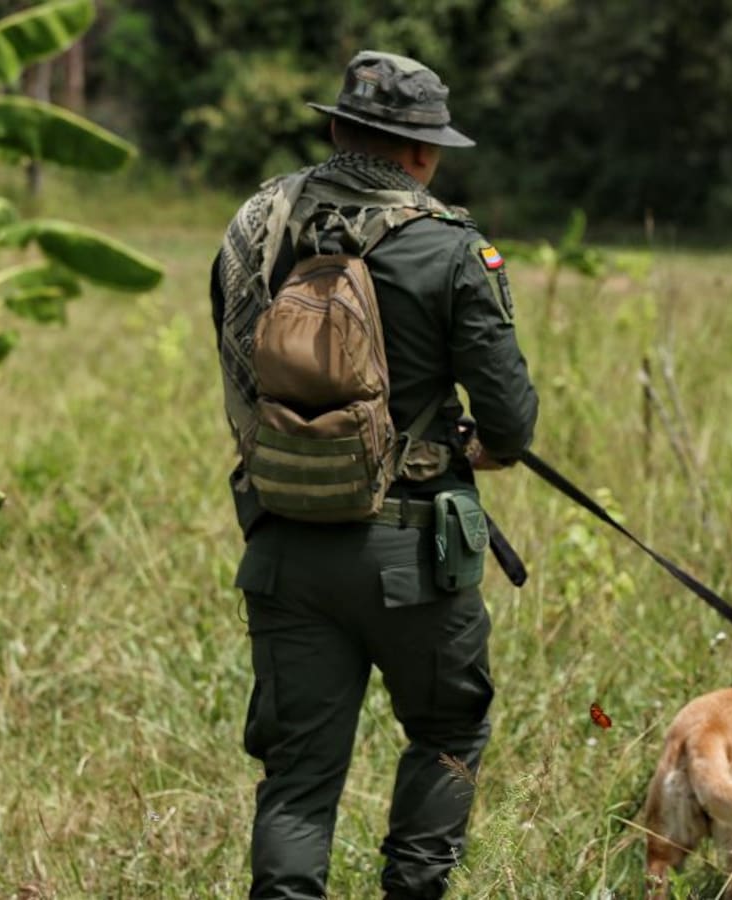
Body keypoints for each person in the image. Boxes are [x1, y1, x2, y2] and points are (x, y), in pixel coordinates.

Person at [210, 49, 539, 900]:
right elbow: (511, 423)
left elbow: (241, 372)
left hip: (284, 544)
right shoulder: (453, 250)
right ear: (423, 153)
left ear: (335, 129)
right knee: (446, 732)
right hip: (415, 558)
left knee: (297, 775)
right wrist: (471, 449)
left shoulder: (257, 230)